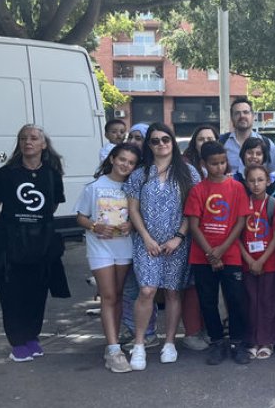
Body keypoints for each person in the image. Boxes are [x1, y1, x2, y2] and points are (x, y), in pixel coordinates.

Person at [0, 125, 70, 362]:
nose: (27, 142)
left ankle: (32, 337)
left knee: (37, 291)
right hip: (10, 242)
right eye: (23, 138)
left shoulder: (52, 174)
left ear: (43, 144)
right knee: (12, 292)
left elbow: (52, 205)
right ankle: (17, 342)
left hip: (40, 243)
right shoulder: (5, 174)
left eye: (33, 138)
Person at [125, 123, 200, 371]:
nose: (161, 144)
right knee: (147, 290)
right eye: (155, 140)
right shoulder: (140, 174)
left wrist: (178, 237)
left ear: (173, 142)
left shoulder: (188, 173)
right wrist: (145, 237)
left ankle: (169, 342)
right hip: (147, 243)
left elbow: (193, 211)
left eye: (165, 139)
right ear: (149, 144)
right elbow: (133, 209)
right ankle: (139, 344)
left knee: (172, 292)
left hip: (176, 242)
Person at [185, 141, 251, 365]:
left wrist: (222, 250)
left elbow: (241, 221)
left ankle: (238, 342)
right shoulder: (198, 190)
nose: (219, 167)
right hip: (202, 256)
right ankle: (216, 342)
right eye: (214, 164)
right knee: (208, 301)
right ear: (203, 164)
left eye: (223, 162)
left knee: (235, 299)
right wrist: (210, 253)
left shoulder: (237, 188)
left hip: (230, 254)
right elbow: (194, 225)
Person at [76, 143, 139, 372]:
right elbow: (81, 217)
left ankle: (113, 343)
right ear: (112, 159)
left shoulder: (133, 188)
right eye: (122, 159)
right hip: (100, 248)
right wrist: (94, 226)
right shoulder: (94, 187)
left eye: (131, 162)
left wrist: (130, 225)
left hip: (124, 247)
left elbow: (138, 217)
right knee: (108, 295)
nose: (125, 165)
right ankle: (113, 349)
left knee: (119, 295)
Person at [239, 164, 275, 359]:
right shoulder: (242, 204)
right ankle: (252, 339)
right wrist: (249, 259)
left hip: (269, 261)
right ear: (246, 182)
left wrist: (262, 260)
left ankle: (268, 340)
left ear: (268, 181)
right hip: (247, 262)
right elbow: (237, 236)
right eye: (252, 180)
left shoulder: (274, 204)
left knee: (268, 300)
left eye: (260, 180)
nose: (256, 184)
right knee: (250, 301)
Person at [220, 97, 275, 177]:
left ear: (253, 116)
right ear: (232, 118)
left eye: (246, 112)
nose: (242, 116)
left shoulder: (267, 144)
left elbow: (272, 175)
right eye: (237, 113)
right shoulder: (221, 143)